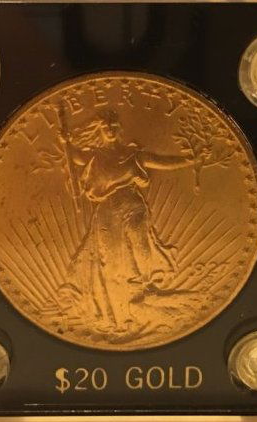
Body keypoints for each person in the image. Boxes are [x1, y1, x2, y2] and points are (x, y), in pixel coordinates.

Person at [59, 110, 195, 335]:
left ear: (119, 127)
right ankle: (116, 312)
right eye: (106, 127)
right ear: (100, 130)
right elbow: (75, 157)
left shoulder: (133, 154)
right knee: (109, 260)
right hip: (107, 210)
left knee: (140, 249)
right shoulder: (96, 155)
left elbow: (161, 161)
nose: (110, 130)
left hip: (133, 206)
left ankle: (144, 291)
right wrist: (67, 141)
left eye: (113, 125)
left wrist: (189, 160)